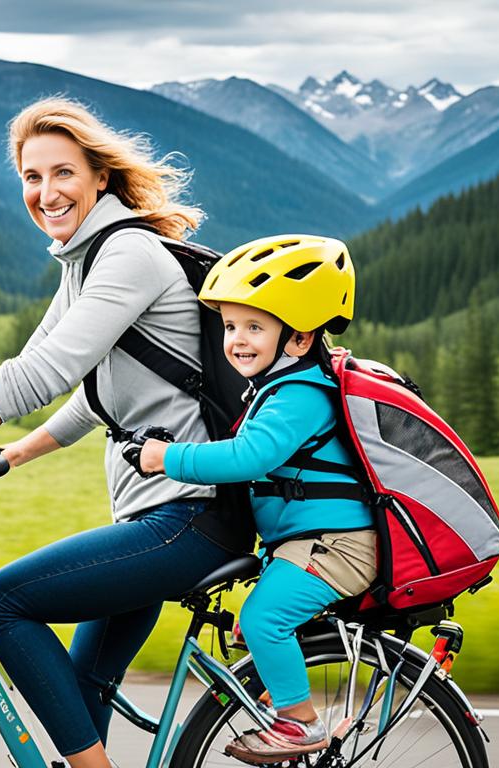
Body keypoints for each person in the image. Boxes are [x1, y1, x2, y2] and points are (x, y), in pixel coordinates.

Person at [0, 97, 251, 767]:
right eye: (31, 177)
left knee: (4, 601)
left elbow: (32, 380)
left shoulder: (127, 254)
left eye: (62, 173)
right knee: (83, 695)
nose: (45, 192)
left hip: (189, 519)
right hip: (159, 518)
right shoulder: (87, 259)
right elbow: (97, 395)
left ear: (100, 176)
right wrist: (13, 454)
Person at [128, 234, 377, 765]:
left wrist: (165, 459)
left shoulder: (301, 395)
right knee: (253, 626)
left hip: (338, 545)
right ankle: (284, 693)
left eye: (255, 327)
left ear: (301, 337)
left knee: (265, 619)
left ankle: (299, 722)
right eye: (230, 325)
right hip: (313, 543)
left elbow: (249, 458)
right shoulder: (280, 388)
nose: (237, 340)